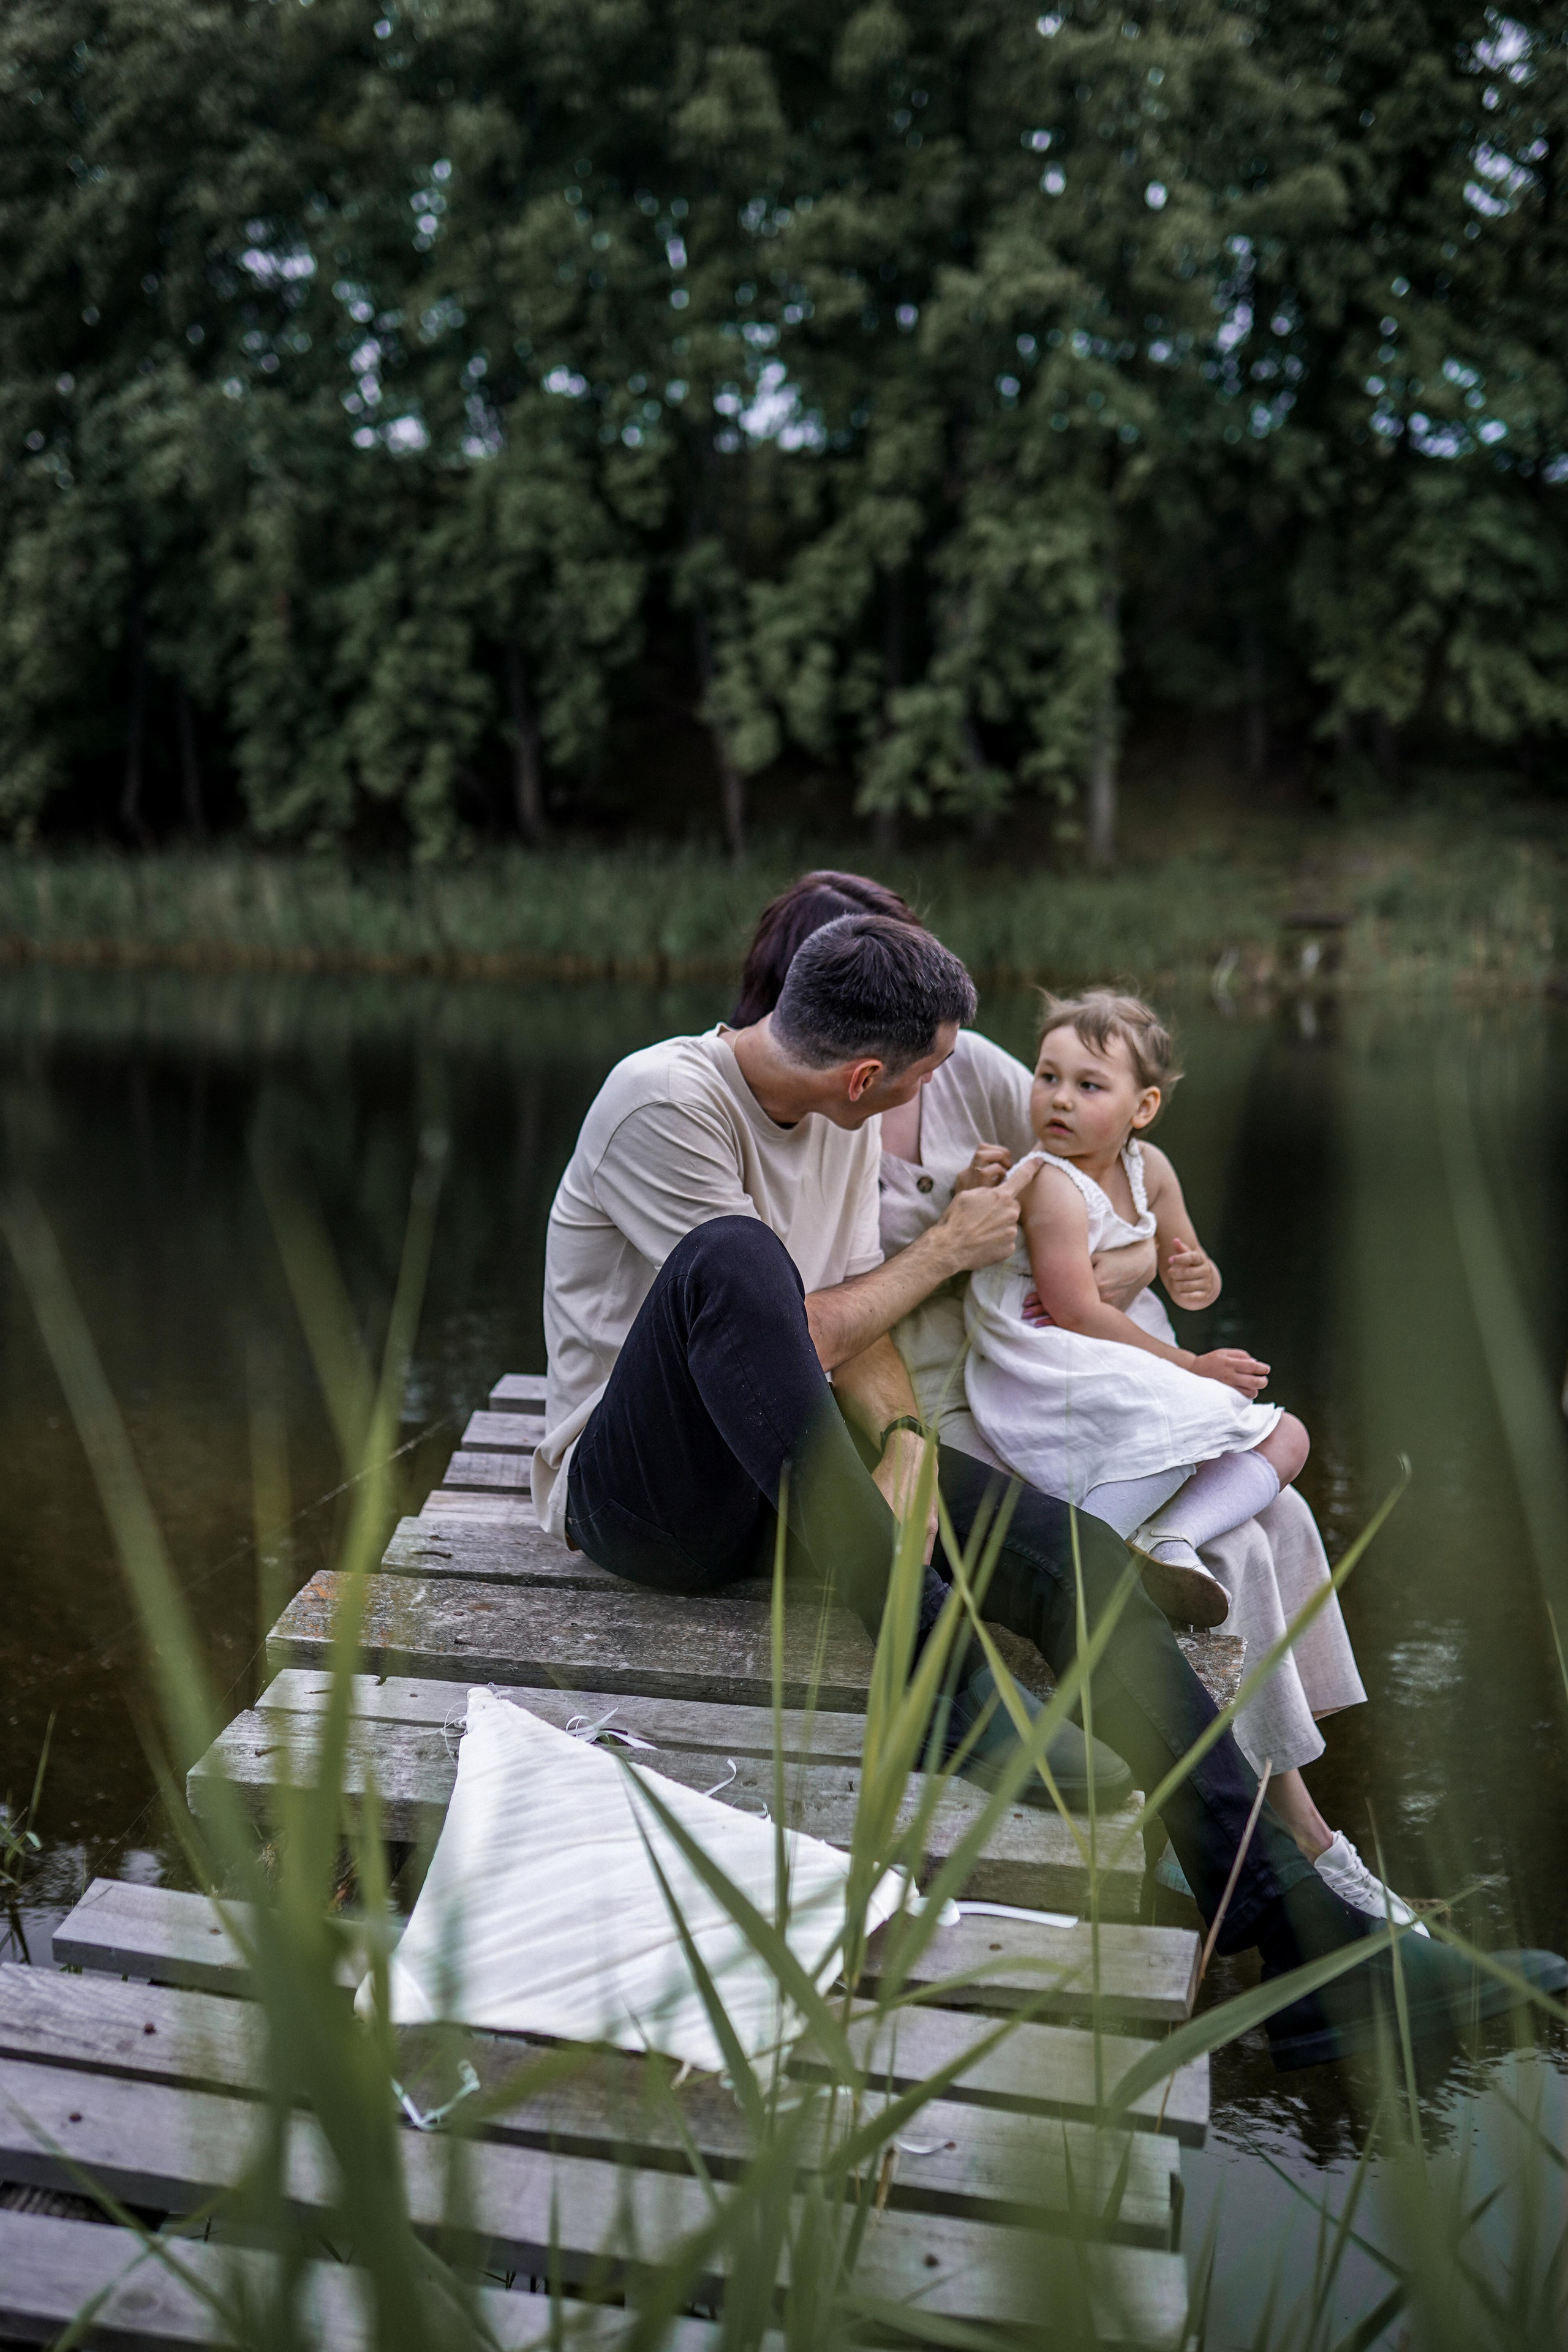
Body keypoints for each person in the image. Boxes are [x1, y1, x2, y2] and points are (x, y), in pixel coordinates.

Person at [535, 897, 1564, 2068]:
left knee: (1072, 1554)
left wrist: (912, 1440)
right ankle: (936, 1676)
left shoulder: (840, 1109)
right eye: (923, 1077)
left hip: (783, 1471)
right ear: (867, 1076)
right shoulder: (664, 1101)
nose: (941, 1092)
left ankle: (1301, 1943)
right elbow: (782, 1330)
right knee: (734, 1260)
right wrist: (944, 1251)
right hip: (641, 1500)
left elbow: (851, 1324)